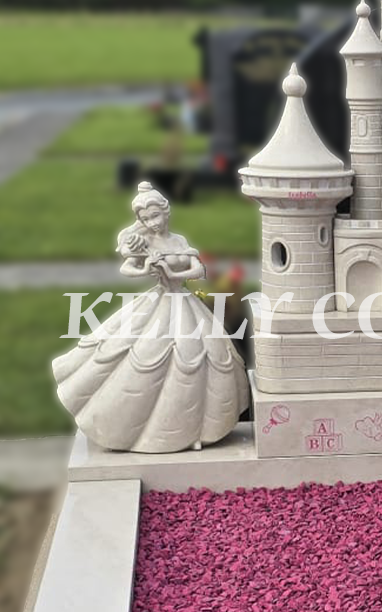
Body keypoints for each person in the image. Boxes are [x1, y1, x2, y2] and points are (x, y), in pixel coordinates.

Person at [53, 182, 249, 452]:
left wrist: (174, 273)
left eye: (155, 216)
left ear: (166, 212)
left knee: (198, 357)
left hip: (183, 301)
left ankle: (194, 428)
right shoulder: (143, 242)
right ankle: (128, 425)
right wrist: (148, 266)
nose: (152, 223)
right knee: (140, 354)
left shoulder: (178, 241)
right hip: (158, 303)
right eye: (146, 219)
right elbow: (127, 268)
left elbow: (199, 270)